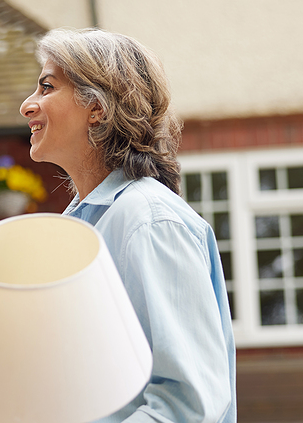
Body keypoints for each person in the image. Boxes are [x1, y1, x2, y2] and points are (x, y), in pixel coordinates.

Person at [19, 28, 235, 423]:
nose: (27, 106)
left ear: (97, 108)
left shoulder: (149, 221)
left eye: (47, 87)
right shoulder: (82, 223)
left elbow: (187, 406)